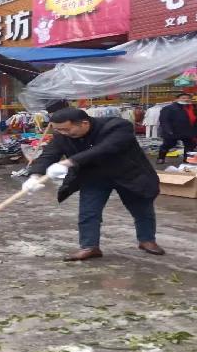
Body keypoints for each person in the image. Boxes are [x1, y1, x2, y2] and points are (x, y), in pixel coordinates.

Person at [22, 107, 163, 261]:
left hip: (128, 174)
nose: (63, 133)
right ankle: (89, 247)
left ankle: (147, 240)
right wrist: (34, 176)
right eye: (58, 130)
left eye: (66, 129)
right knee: (88, 212)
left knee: (141, 208)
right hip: (93, 176)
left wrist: (68, 162)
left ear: (84, 123)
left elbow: (105, 149)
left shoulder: (117, 126)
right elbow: (48, 155)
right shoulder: (62, 135)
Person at [157, 92, 197, 164]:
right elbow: (164, 120)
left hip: (188, 130)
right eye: (183, 98)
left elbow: (195, 118)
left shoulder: (193, 107)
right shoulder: (168, 108)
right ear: (177, 99)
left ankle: (187, 159)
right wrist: (168, 130)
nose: (186, 99)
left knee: (189, 146)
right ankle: (161, 158)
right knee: (168, 145)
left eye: (188, 98)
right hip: (173, 130)